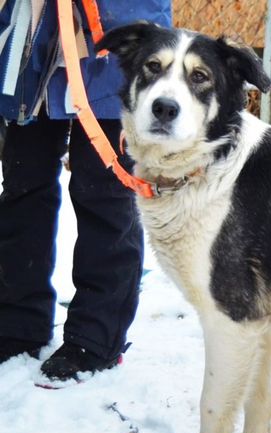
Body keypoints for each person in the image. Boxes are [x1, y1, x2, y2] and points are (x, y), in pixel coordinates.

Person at [0, 1, 171, 380]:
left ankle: (95, 336)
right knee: (23, 184)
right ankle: (18, 323)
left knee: (105, 194)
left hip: (117, 37)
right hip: (35, 40)